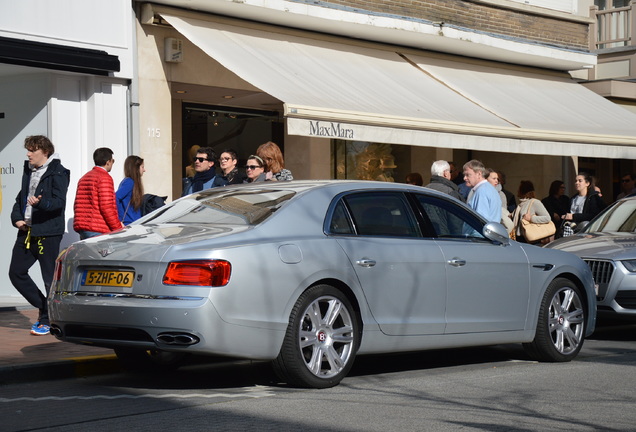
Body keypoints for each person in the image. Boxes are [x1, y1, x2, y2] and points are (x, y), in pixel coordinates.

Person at [9, 135, 70, 335]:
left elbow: (59, 202)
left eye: (32, 150)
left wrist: (40, 203)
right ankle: (45, 308)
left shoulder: (59, 172)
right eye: (27, 150)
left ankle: (48, 320)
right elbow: (21, 197)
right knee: (16, 272)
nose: (28, 154)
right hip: (27, 231)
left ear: (44, 152)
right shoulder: (28, 170)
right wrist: (17, 218)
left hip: (48, 232)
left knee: (48, 279)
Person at [73, 147, 123, 240]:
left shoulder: (84, 177)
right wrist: (118, 229)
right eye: (113, 161)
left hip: (84, 228)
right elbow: (106, 207)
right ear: (108, 162)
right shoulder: (104, 178)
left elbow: (77, 204)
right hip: (98, 228)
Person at [116, 155, 146, 225]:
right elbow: (115, 197)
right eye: (142, 167)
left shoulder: (128, 182)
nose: (144, 170)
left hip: (132, 223)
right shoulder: (129, 182)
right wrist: (119, 220)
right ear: (135, 168)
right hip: (129, 224)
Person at [485, 168, 513, 233]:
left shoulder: (500, 194)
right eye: (494, 178)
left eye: (497, 179)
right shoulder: (479, 191)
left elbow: (502, 214)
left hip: (495, 229)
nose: (497, 181)